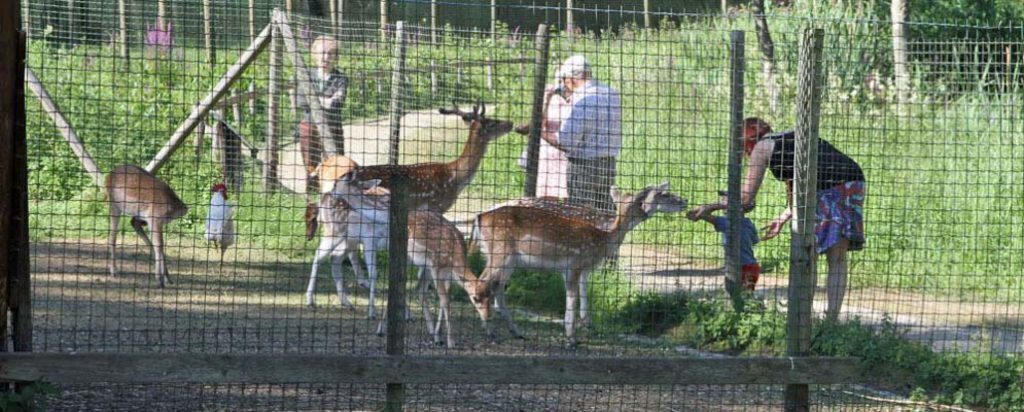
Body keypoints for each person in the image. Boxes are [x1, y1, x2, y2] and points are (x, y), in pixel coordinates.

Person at [689, 118, 866, 321]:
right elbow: (795, 187)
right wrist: (783, 218)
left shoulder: (761, 148)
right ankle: (831, 319)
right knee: (837, 258)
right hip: (853, 181)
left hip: (827, 188)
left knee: (810, 253)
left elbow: (746, 199)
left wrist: (709, 207)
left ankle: (801, 318)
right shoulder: (787, 139)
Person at [548, 55, 622, 212]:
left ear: (571, 79)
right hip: (608, 163)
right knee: (604, 212)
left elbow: (566, 142)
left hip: (583, 165)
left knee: (580, 215)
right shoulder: (611, 93)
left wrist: (539, 132)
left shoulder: (582, 98)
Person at [298, 35, 349, 185]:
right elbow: (302, 101)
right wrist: (326, 100)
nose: (325, 58)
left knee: (335, 163)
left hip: (332, 126)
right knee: (310, 164)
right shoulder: (306, 75)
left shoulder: (341, 78)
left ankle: (334, 193)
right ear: (314, 55)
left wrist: (313, 98)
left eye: (330, 54)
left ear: (335, 57)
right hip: (310, 125)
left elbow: (336, 103)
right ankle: (312, 192)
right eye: (322, 53)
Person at [688, 191, 761, 291]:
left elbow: (704, 215)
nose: (722, 201)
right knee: (746, 294)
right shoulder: (748, 223)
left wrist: (710, 207)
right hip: (752, 266)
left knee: (736, 293)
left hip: (739, 267)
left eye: (725, 200)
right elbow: (755, 241)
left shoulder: (729, 223)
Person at [517, 82, 572, 199]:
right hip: (548, 159)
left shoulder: (580, 100)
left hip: (567, 157)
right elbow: (539, 125)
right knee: (547, 201)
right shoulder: (553, 101)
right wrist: (546, 100)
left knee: (569, 200)